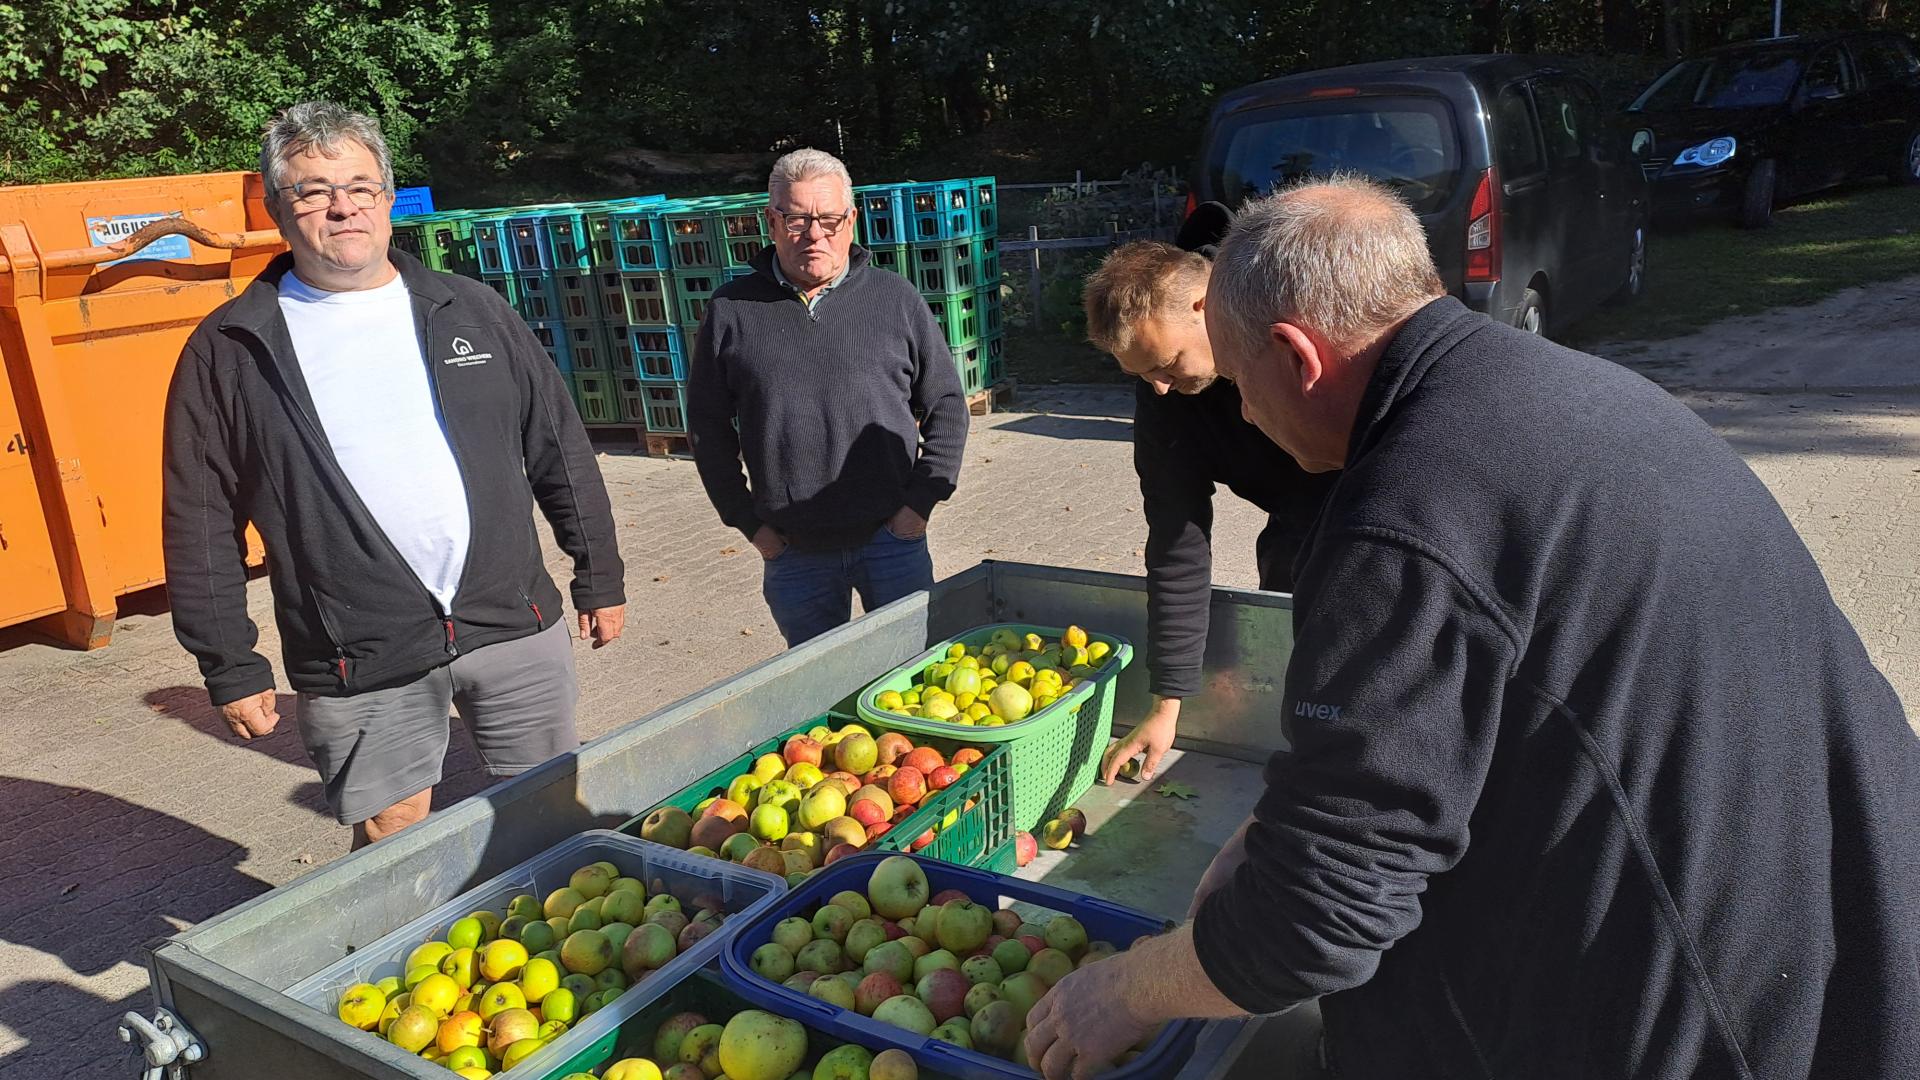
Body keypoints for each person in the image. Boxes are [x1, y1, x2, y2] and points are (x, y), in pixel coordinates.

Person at [1026, 177, 1919, 1079]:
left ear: (1297, 358)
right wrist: (1271, 834)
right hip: (1852, 908)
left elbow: (1318, 920)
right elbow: (1430, 744)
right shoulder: (1571, 389)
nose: (1241, 414)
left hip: (1732, 1010)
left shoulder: (1402, 519)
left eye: (1242, 382)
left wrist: (1125, 991)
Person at [162, 102, 627, 848]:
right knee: (393, 836)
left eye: (359, 185)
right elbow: (199, 518)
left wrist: (598, 574)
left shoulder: (470, 309)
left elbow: (558, 447)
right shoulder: (231, 350)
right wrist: (229, 663)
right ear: (279, 209)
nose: (341, 205)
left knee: (547, 814)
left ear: (386, 199)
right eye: (313, 190)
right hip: (358, 648)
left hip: (512, 619)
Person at [1082, 224, 1338, 786]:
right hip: (1294, 521)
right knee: (1292, 642)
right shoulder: (1166, 398)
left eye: (1166, 362)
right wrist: (1166, 704)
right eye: (1141, 373)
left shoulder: (1297, 324)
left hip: (1376, 496)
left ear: (1205, 306)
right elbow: (1176, 540)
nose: (1159, 387)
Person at [688, 148, 968, 646]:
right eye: (796, 219)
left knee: (917, 673)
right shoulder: (732, 309)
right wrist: (749, 523)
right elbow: (707, 428)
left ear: (852, 219)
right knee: (820, 697)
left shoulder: (894, 297)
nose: (815, 234)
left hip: (892, 539)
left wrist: (920, 504)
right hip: (794, 551)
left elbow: (946, 404)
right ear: (771, 222)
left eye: (829, 219)